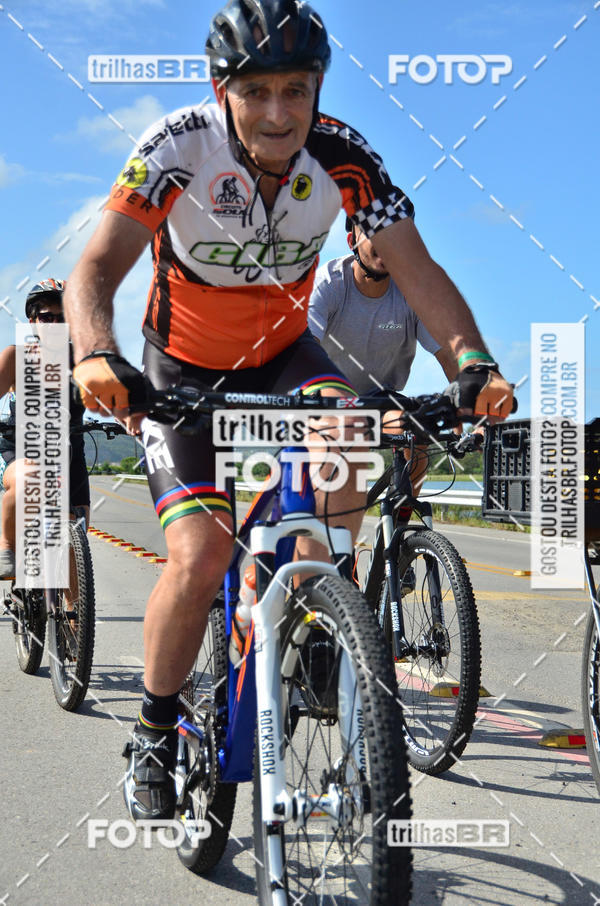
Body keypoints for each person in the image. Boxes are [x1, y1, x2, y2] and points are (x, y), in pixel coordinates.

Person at [64, 0, 513, 822]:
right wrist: (97, 351)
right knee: (200, 556)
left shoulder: (344, 156)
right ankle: (155, 730)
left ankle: (312, 612)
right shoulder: (174, 148)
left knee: (350, 439)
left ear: (317, 91)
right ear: (222, 91)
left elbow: (417, 269)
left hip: (285, 357)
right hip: (182, 369)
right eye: (257, 91)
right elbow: (93, 268)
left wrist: (472, 363)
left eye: (296, 90)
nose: (278, 113)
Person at [309, 216, 459, 498]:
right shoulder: (328, 285)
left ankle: (400, 514)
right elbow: (306, 349)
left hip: (381, 399)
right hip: (328, 396)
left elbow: (450, 356)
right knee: (334, 492)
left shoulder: (414, 292)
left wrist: (472, 411)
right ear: (352, 241)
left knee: (414, 429)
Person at [0, 279, 90, 579]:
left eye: (61, 318)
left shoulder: (85, 359)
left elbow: (114, 397)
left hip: (70, 453)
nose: (54, 324)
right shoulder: (16, 356)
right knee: (27, 480)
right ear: (33, 321)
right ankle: (7, 546)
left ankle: (74, 610)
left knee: (74, 550)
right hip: (20, 449)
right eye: (46, 317)